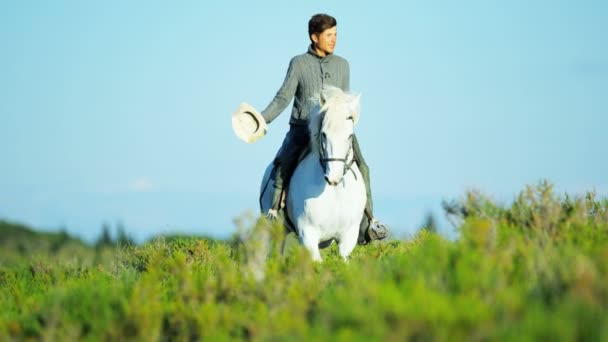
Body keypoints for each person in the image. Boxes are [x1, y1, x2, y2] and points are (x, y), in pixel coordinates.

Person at [260, 13, 388, 244]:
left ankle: (369, 222)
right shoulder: (298, 63)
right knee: (283, 164)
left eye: (336, 35)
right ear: (314, 37)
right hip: (302, 128)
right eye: (329, 35)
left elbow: (344, 101)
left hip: (334, 130)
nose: (334, 40)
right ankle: (274, 212)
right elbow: (282, 98)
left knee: (364, 167)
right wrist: (262, 119)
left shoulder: (343, 65)